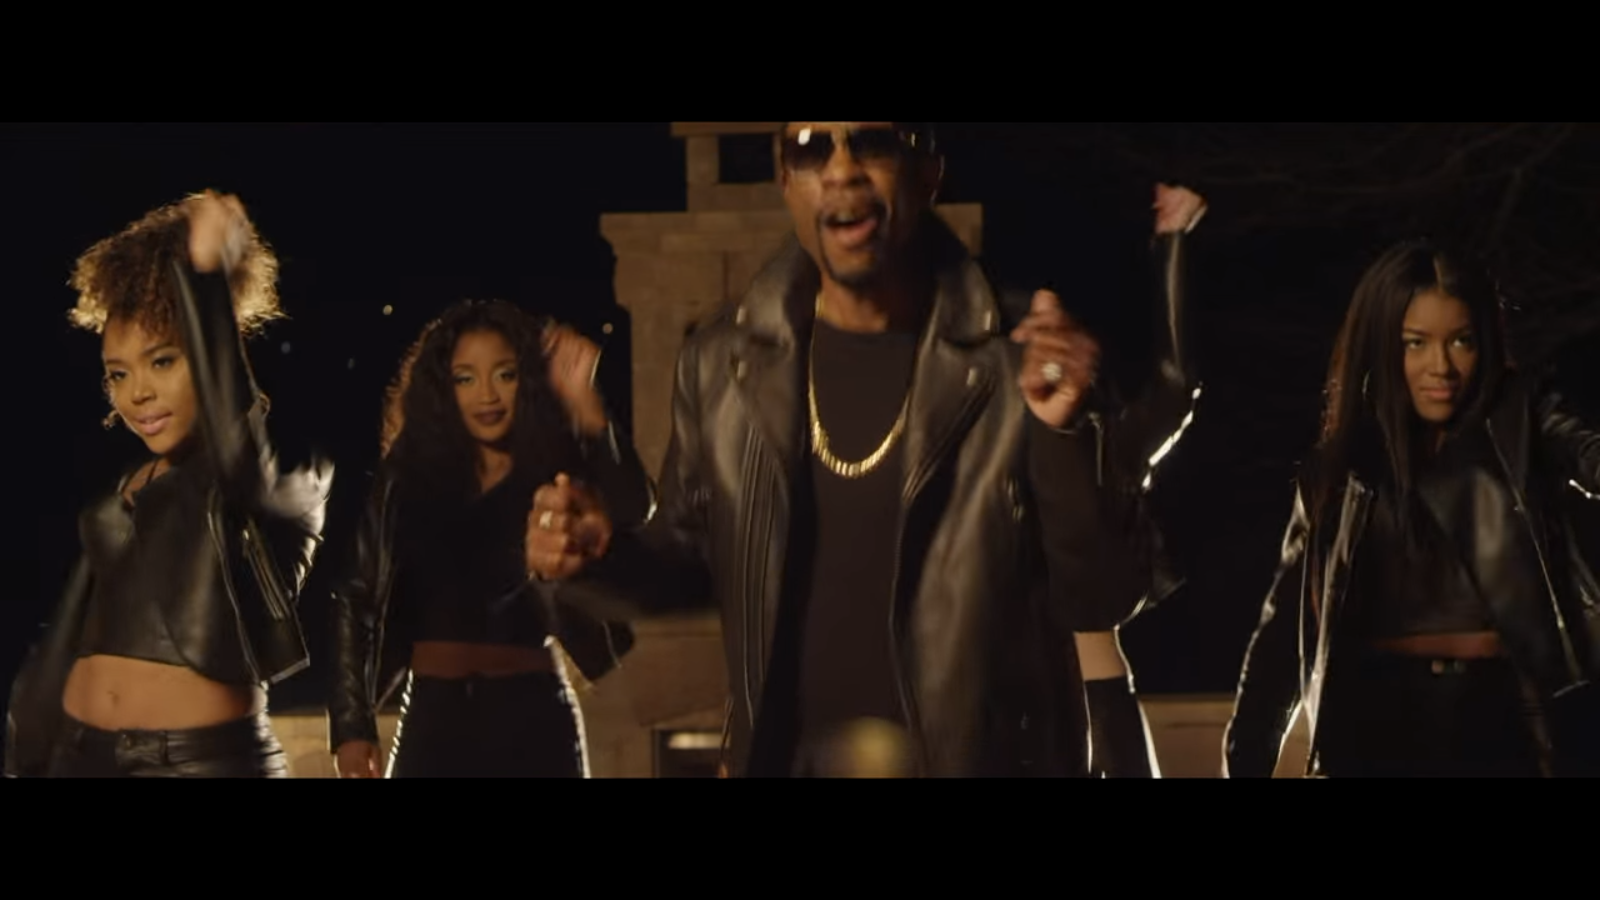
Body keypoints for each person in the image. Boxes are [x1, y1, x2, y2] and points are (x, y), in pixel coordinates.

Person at [524, 121, 1204, 777]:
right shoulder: (721, 367)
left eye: (872, 142)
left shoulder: (1020, 358)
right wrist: (599, 560)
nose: (841, 169)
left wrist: (1062, 435)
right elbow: (690, 563)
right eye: (811, 147)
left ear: (928, 172)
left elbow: (1102, 596)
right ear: (784, 178)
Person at [1223, 239, 1600, 778]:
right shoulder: (1343, 468)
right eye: (1415, 343)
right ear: (1382, 345)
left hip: (1501, 722)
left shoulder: (1521, 422)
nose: (1440, 366)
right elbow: (1284, 628)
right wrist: (1247, 758)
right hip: (1371, 728)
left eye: (1461, 341)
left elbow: (1587, 451)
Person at [4, 191, 333, 778]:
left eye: (163, 361)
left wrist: (206, 283)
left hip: (199, 762)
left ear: (212, 350)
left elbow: (237, 457)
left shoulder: (279, 462)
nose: (137, 394)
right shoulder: (130, 479)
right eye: (118, 373)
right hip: (77, 756)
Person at [326, 299, 654, 778]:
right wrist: (351, 725)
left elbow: (633, 507)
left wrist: (589, 410)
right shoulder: (409, 473)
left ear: (527, 379)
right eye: (466, 378)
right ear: (444, 386)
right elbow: (356, 594)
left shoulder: (552, 464)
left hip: (537, 717)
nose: (487, 395)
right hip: (434, 720)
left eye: (505, 374)